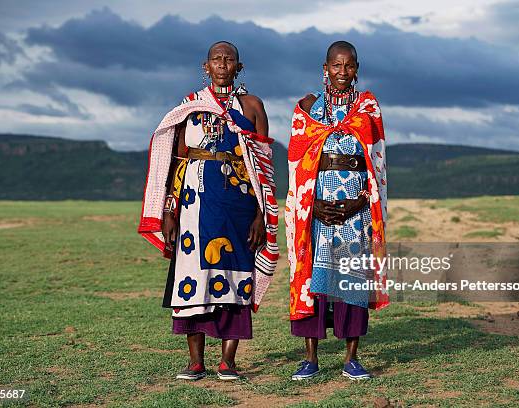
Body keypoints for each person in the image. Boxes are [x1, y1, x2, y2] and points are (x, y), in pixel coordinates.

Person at [138, 41, 278, 381]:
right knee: (193, 279)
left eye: (229, 59)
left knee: (235, 278)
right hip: (193, 206)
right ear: (206, 65)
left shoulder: (253, 105)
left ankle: (228, 362)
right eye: (217, 58)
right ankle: (195, 362)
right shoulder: (190, 106)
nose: (222, 63)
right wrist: (169, 210)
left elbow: (264, 168)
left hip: (240, 208)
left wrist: (262, 215)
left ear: (238, 67)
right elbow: (178, 159)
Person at [285, 40, 389, 381]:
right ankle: (310, 359)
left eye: (349, 66)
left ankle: (351, 359)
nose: (342, 72)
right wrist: (310, 203)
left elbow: (377, 163)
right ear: (325, 68)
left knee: (352, 282)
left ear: (356, 68)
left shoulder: (368, 107)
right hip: (315, 211)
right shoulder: (307, 108)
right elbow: (297, 164)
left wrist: (362, 202)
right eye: (336, 66)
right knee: (313, 280)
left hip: (356, 212)